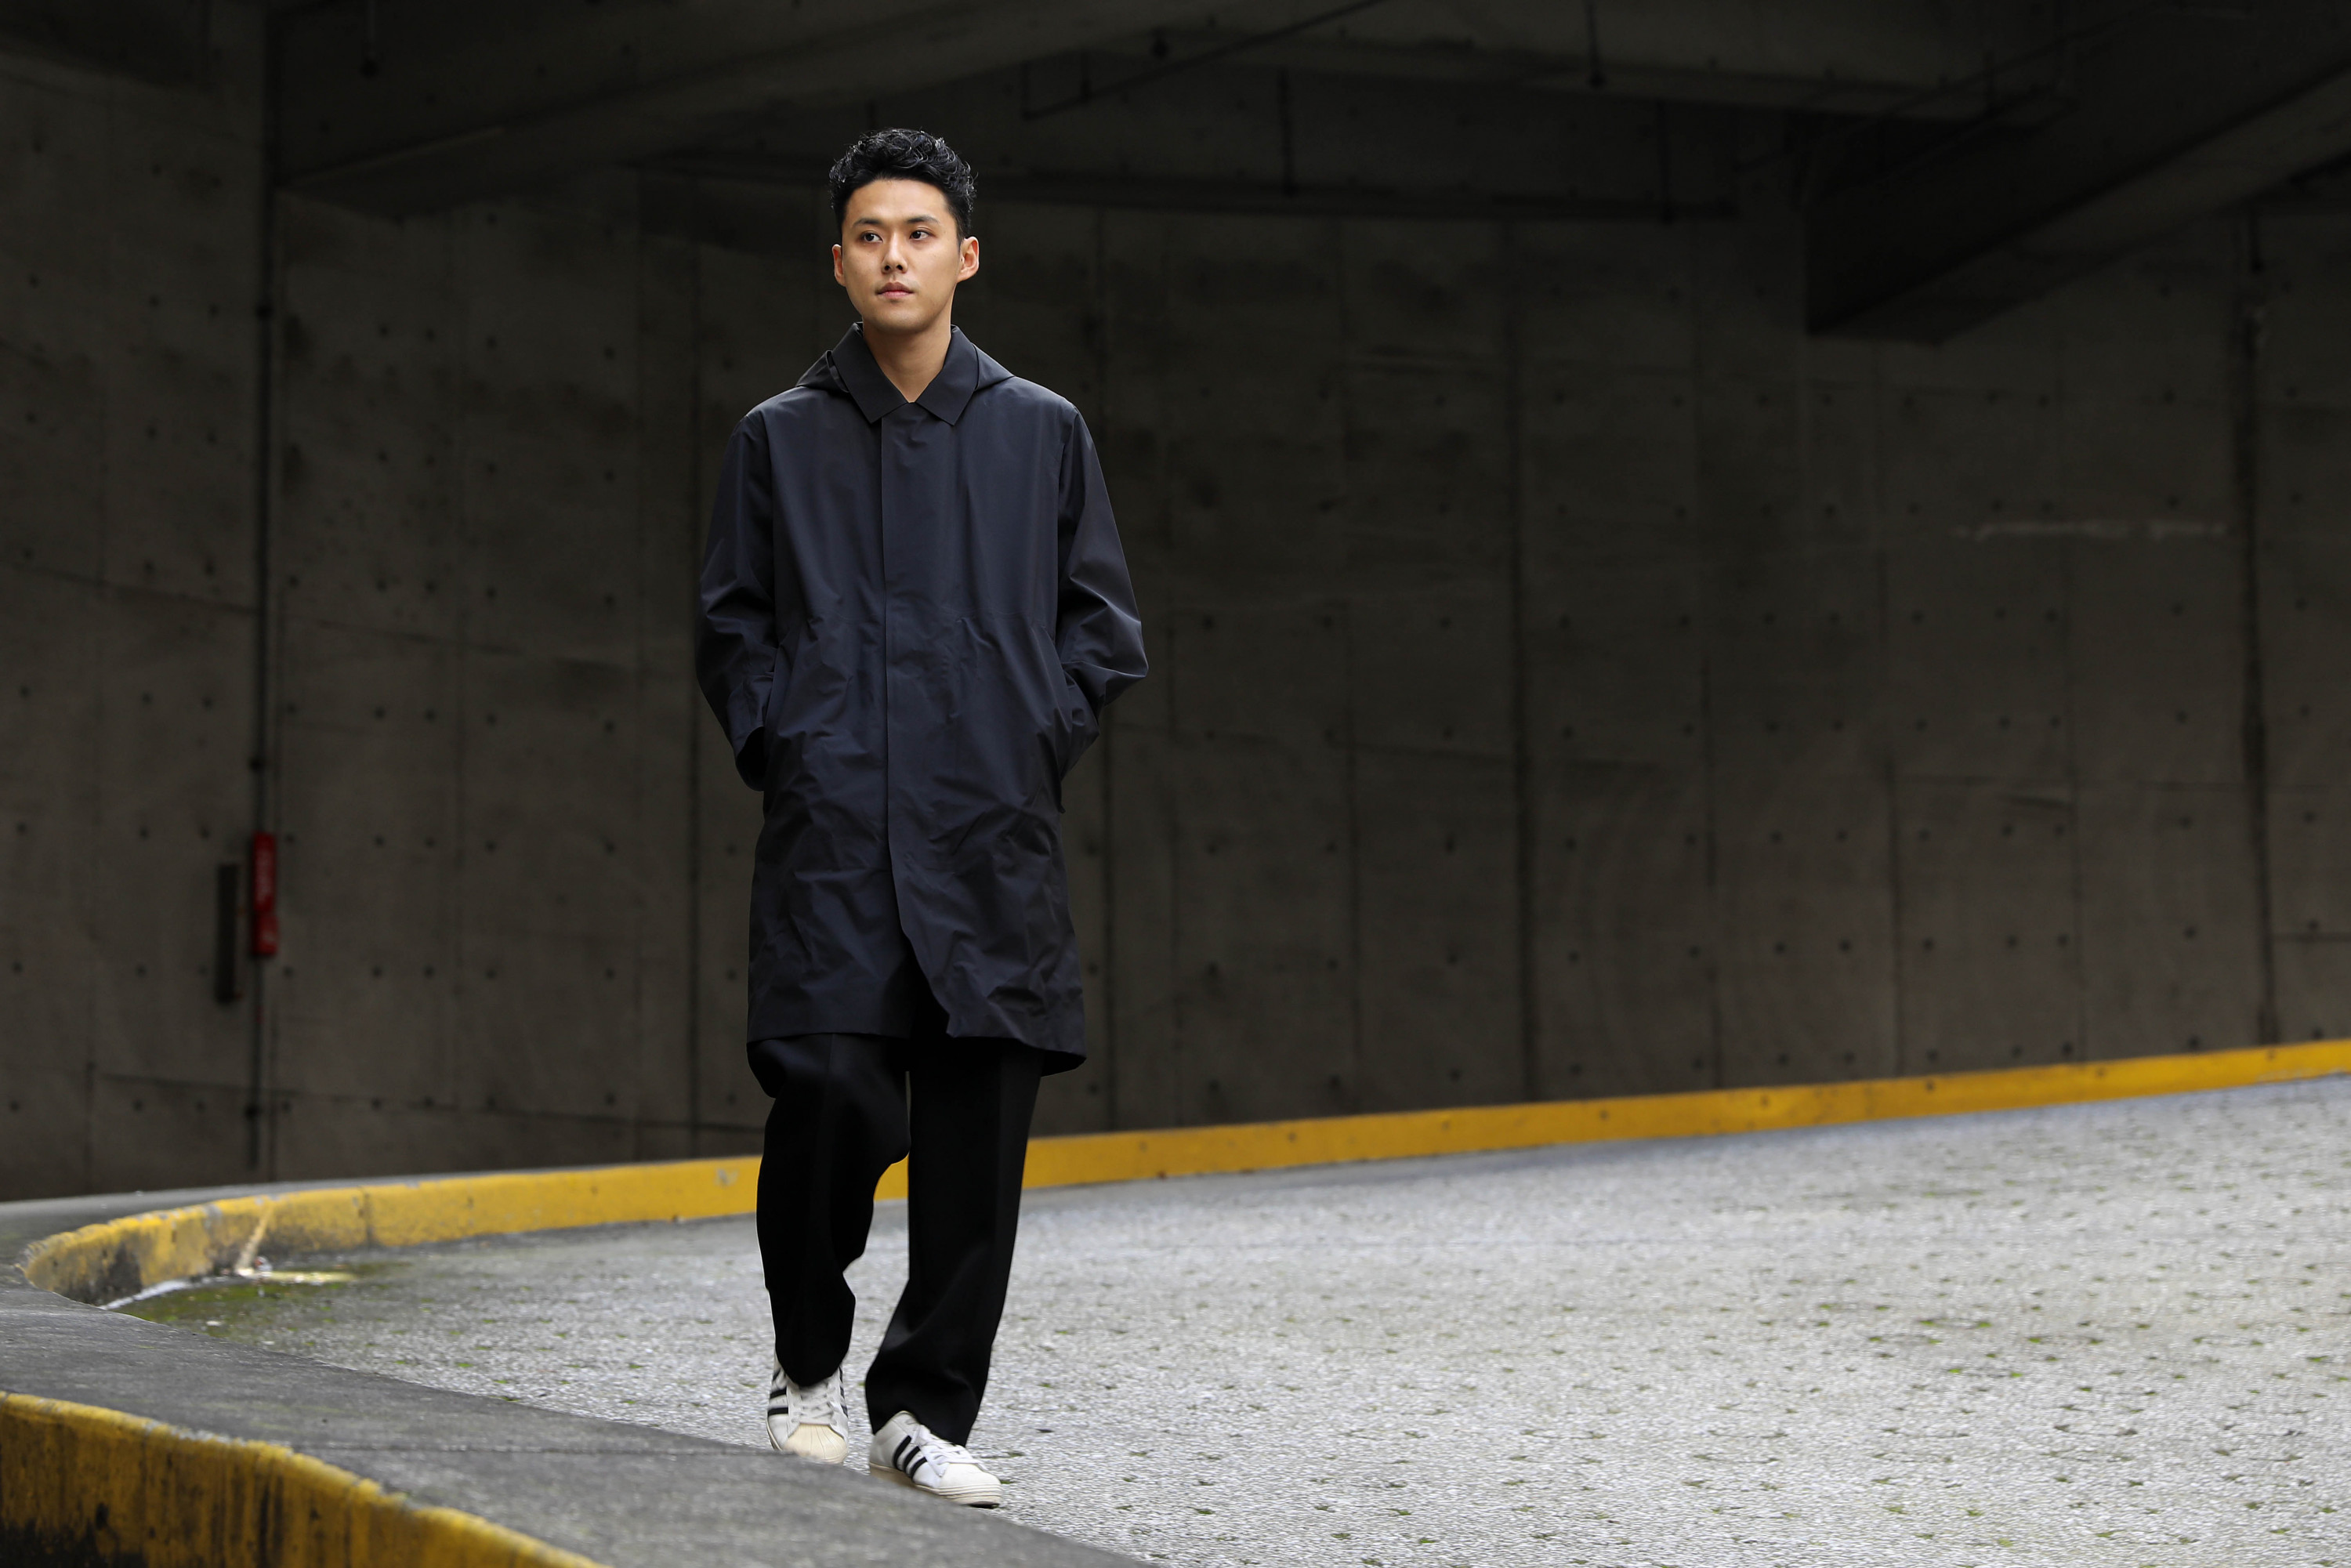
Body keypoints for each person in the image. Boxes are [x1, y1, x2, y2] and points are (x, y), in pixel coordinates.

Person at [694, 128, 1147, 1508]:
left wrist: (1025, 738)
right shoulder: (778, 439)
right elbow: (732, 627)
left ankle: (923, 1408)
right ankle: (807, 1361)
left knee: (975, 1130)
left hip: (986, 834)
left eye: (919, 233)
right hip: (834, 832)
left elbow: (1102, 627)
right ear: (837, 261)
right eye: (869, 235)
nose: (894, 256)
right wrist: (792, 741)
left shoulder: (1040, 431)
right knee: (831, 1086)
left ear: (966, 256)